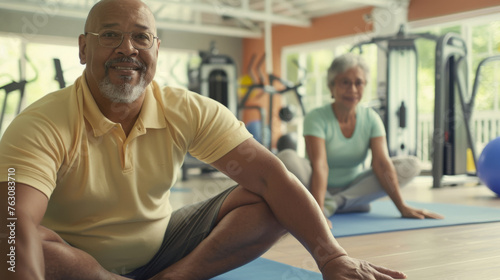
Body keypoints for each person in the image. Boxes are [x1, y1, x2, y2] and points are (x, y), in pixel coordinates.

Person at [0, 1, 409, 279]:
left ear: (156, 49)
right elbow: (14, 224)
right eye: (110, 36)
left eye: (141, 37)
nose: (128, 49)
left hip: (163, 246)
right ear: (84, 48)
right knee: (14, 233)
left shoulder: (187, 108)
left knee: (273, 199)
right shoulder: (41, 122)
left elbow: (274, 178)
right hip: (74, 263)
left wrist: (332, 256)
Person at [277, 53, 444, 222]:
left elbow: (381, 163)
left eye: (359, 83)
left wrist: (402, 207)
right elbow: (320, 165)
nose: (353, 90)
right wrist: (318, 212)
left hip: (355, 185)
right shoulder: (316, 117)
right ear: (331, 86)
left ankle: (335, 203)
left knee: (411, 165)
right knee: (286, 157)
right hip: (316, 184)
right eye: (345, 83)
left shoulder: (371, 118)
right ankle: (345, 203)